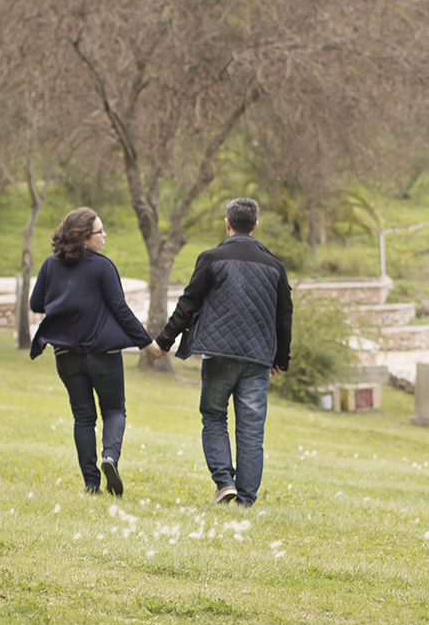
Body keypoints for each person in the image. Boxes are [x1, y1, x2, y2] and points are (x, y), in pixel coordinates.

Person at [155, 196, 291, 506]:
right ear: (255, 226)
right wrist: (280, 359)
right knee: (251, 429)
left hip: (217, 354)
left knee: (214, 416)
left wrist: (164, 342)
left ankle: (224, 482)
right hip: (258, 358)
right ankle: (245, 499)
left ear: (227, 224)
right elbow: (284, 316)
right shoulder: (275, 266)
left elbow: (187, 305)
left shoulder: (211, 259)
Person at [29, 207, 163, 496]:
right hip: (102, 355)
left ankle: (92, 484)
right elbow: (122, 311)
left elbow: (36, 303)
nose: (104, 236)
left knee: (83, 418)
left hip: (66, 356)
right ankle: (110, 457)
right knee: (114, 410)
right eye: (99, 232)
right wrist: (147, 344)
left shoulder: (49, 266)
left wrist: (66, 299)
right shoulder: (103, 267)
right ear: (83, 238)